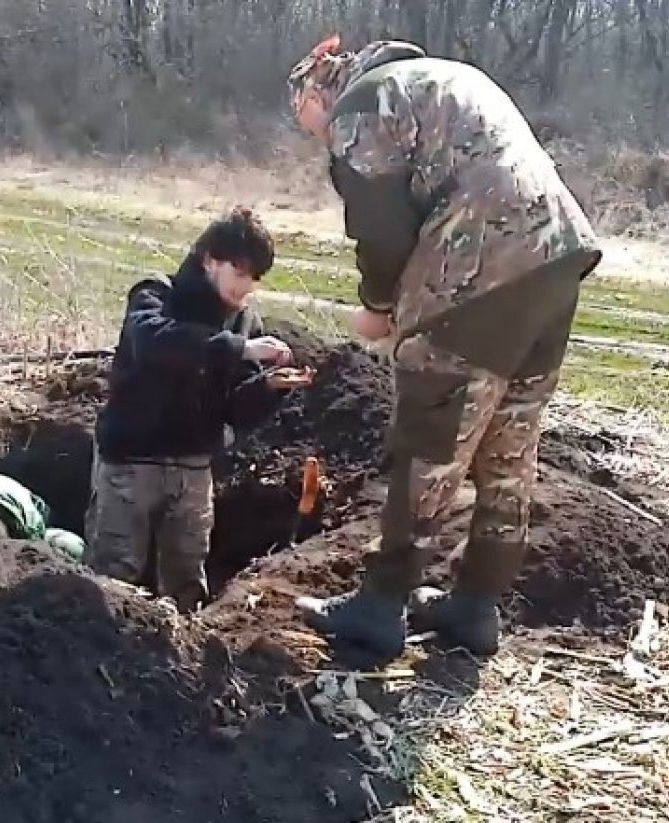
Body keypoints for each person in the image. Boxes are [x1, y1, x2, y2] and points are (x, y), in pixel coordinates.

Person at [286, 37, 603, 661]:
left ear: (318, 90)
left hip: (476, 272)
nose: (317, 134)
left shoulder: (363, 103)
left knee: (432, 440)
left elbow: (380, 229)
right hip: (558, 259)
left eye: (307, 119)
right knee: (509, 444)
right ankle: (477, 605)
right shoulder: (439, 79)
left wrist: (379, 306)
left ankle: (381, 606)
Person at [84, 207, 305, 613]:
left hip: (194, 469)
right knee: (113, 577)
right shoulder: (156, 295)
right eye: (239, 272)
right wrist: (239, 349)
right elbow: (154, 343)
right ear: (210, 260)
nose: (246, 287)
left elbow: (235, 411)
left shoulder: (243, 322)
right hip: (131, 462)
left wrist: (268, 388)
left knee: (186, 583)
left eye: (254, 278)